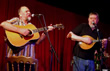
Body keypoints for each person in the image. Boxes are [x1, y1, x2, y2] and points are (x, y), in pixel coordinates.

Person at [0, 6, 55, 71]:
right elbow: (3, 24)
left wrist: (46, 32)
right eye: (26, 11)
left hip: (29, 62)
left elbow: (38, 42)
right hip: (15, 60)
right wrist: (20, 30)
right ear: (20, 14)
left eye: (29, 11)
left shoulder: (32, 26)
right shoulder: (16, 20)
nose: (29, 12)